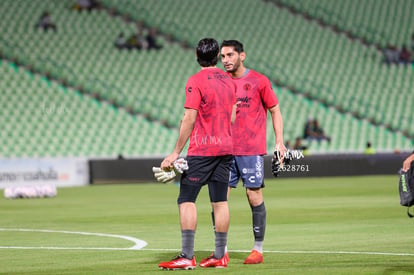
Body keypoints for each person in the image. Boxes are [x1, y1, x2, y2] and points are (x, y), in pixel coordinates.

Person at [157, 38, 237, 270]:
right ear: (216, 57)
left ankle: (187, 255)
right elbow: (232, 117)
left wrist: (175, 153)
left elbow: (189, 118)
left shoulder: (195, 81)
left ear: (197, 56)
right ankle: (220, 255)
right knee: (220, 201)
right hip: (226, 148)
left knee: (186, 199)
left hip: (203, 149)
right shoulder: (229, 81)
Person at [220, 39, 286, 264]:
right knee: (220, 198)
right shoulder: (220, 82)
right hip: (224, 150)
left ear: (242, 56)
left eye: (230, 55)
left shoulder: (259, 81)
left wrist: (279, 142)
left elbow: (275, 110)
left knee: (253, 194)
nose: (226, 60)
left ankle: (257, 249)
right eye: (223, 57)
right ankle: (222, 250)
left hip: (250, 149)